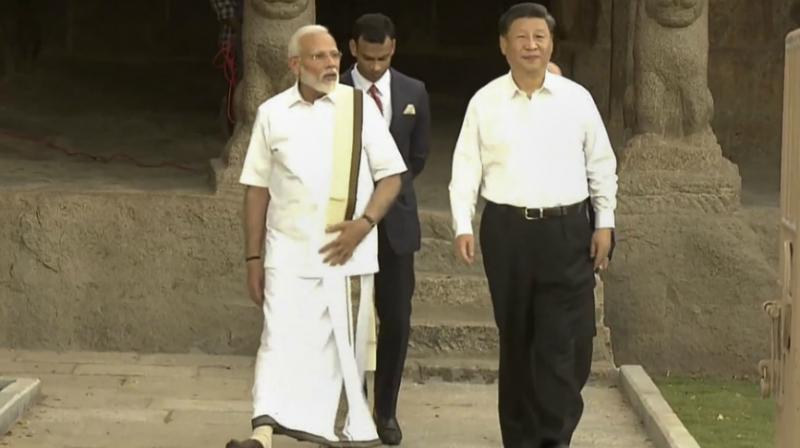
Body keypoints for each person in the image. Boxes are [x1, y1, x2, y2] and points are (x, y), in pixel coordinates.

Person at [226, 24, 406, 448]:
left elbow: (392, 177)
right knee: (276, 338)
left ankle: (324, 427)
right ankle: (262, 432)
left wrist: (363, 224)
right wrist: (252, 258)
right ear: (295, 64)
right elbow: (257, 189)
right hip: (286, 249)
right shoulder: (272, 112)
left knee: (336, 348)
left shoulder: (358, 108)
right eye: (319, 56)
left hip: (344, 252)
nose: (330, 64)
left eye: (334, 55)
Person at [448, 3, 617, 448]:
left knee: (567, 343)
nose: (531, 45)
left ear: (551, 43)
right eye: (521, 37)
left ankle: (553, 437)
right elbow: (465, 168)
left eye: (539, 37)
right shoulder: (485, 102)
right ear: (504, 46)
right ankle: (521, 438)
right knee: (518, 340)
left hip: (567, 232)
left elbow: (601, 164)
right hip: (508, 233)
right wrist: (462, 223)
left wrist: (604, 222)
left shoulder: (576, 99)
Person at [340, 13, 431, 446]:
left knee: (396, 317)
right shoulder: (335, 89)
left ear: (393, 49)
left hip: (396, 221)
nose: (375, 67)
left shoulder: (414, 91)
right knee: (342, 317)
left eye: (383, 58)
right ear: (353, 49)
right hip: (344, 218)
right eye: (368, 58)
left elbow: (418, 156)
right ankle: (351, 405)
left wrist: (386, 192)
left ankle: (386, 411)